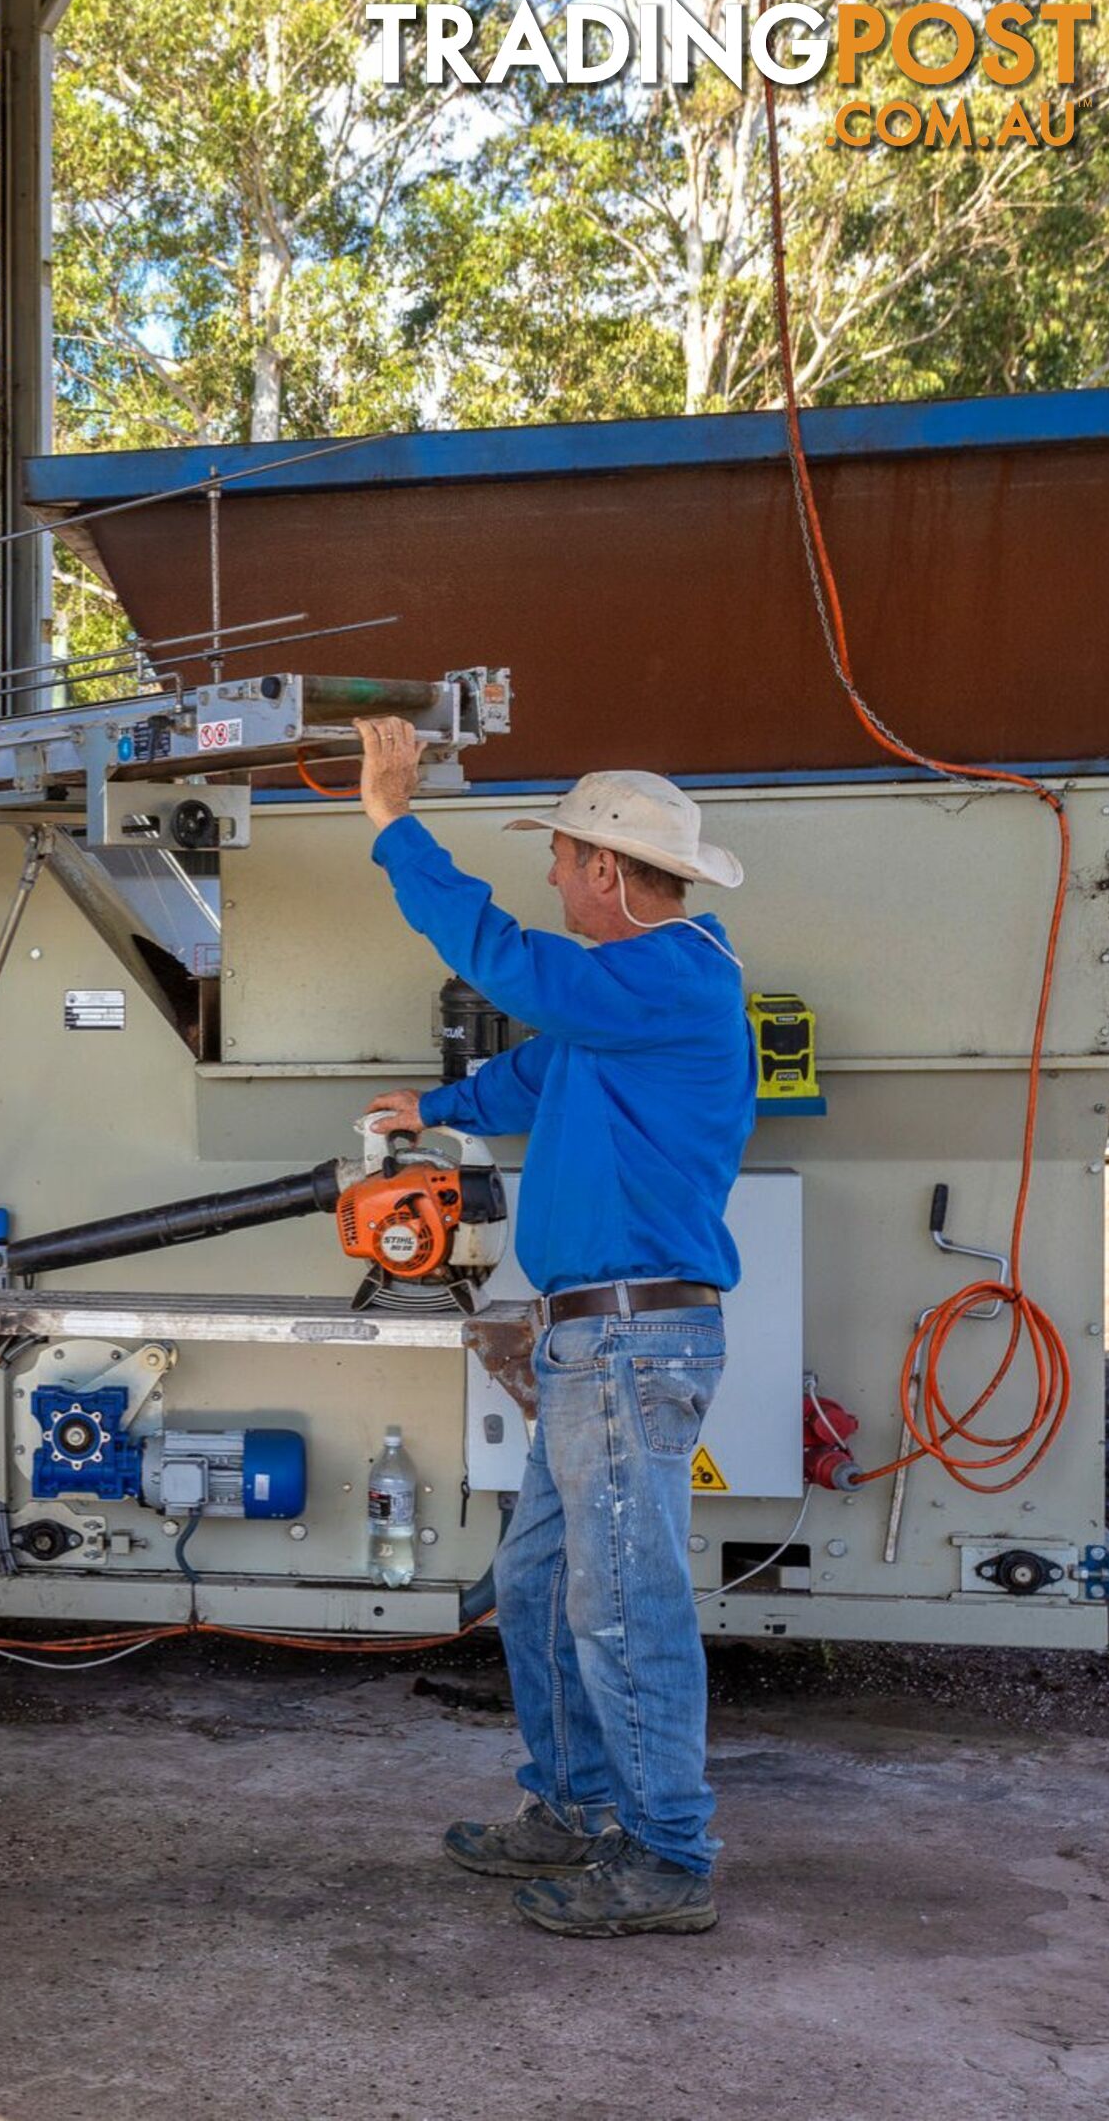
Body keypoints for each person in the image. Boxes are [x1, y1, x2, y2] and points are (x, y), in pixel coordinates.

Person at [351, 716, 754, 1938]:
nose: (552, 879)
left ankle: (667, 1856)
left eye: (564, 860)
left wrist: (392, 822)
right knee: (533, 1588)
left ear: (608, 874)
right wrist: (434, 1102)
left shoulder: (674, 969)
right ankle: (577, 1807)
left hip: (632, 1342)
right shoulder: (623, 1003)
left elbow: (514, 970)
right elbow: (536, 1072)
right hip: (589, 1340)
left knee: (619, 1600)